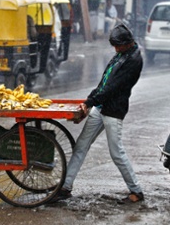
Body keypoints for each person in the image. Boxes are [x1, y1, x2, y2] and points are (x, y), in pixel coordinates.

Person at [51, 23, 144, 203]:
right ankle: (65, 186)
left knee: (116, 153)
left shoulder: (134, 60)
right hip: (100, 107)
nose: (115, 49)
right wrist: (89, 101)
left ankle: (136, 190)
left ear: (128, 43)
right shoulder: (121, 55)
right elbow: (104, 82)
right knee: (81, 145)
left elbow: (113, 87)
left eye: (118, 45)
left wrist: (90, 102)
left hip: (113, 110)